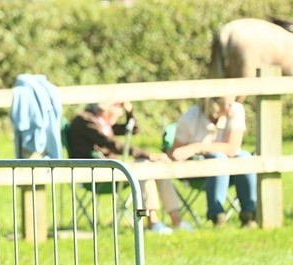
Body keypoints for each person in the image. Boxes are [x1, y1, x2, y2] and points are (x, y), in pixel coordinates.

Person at [67, 102, 186, 233]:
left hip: (110, 168)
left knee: (154, 166)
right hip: (94, 172)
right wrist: (148, 154)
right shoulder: (85, 121)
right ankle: (153, 221)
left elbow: (133, 129)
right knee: (144, 165)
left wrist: (129, 112)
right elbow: (113, 145)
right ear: (106, 111)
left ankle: (177, 221)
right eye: (118, 113)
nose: (118, 118)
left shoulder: (101, 121)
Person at [168, 96, 257, 228]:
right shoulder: (191, 117)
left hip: (232, 169)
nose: (231, 106)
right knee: (218, 159)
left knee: (244, 157)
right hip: (199, 172)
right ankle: (217, 216)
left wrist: (197, 147)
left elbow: (232, 148)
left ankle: (249, 216)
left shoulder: (236, 109)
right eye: (226, 103)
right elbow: (175, 152)